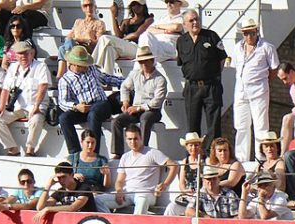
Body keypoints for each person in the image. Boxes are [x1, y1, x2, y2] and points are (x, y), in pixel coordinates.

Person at [57, 45, 122, 156]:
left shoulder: (91, 69)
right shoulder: (65, 80)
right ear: (74, 64)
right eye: (83, 65)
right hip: (82, 108)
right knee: (64, 118)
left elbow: (106, 79)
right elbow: (62, 102)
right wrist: (76, 106)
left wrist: (127, 82)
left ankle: (93, 154)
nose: (86, 67)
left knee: (94, 114)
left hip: (101, 104)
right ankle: (75, 154)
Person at [97, 124, 177, 214]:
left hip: (146, 193)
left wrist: (165, 184)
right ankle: (111, 221)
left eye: (135, 138)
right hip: (127, 192)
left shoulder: (152, 153)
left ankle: (136, 223)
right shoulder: (125, 156)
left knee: (142, 199)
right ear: (126, 140)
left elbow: (174, 165)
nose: (133, 142)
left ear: (141, 138)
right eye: (130, 139)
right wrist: (119, 190)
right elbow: (119, 180)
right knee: (98, 200)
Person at [230, 18, 278, 163]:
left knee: (261, 125)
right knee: (241, 125)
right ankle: (241, 159)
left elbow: (274, 69)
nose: (249, 36)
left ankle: (260, 158)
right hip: (241, 91)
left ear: (256, 31)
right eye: (246, 33)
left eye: (251, 33)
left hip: (259, 91)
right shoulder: (237, 47)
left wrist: (264, 82)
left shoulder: (267, 47)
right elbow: (236, 67)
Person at [176, 9, 225, 148]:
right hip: (192, 87)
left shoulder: (211, 36)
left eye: (197, 19)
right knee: (192, 126)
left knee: (213, 125)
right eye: (191, 20)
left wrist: (213, 75)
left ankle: (212, 155)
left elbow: (222, 58)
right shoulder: (181, 41)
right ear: (184, 24)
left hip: (211, 86)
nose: (195, 22)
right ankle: (194, 157)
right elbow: (181, 63)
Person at [0, 40, 48, 156]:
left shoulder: (40, 66)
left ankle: (30, 150)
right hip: (17, 107)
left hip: (35, 105)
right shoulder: (13, 68)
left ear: (31, 53)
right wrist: (1, 107)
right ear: (16, 55)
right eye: (20, 53)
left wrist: (36, 106)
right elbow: (5, 89)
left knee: (36, 119)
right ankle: (13, 149)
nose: (23, 56)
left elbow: (43, 86)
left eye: (26, 53)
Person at [110, 45, 164, 156]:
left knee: (145, 118)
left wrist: (138, 108)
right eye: (141, 62)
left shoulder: (160, 79)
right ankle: (117, 153)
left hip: (152, 110)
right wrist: (125, 101)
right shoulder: (135, 74)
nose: (143, 64)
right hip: (136, 109)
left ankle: (142, 151)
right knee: (116, 121)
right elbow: (124, 87)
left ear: (152, 61)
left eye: (145, 61)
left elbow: (157, 101)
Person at [92, 0, 152, 76]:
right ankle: (108, 78)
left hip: (138, 48)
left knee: (104, 38)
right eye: (133, 5)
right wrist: (113, 16)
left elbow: (136, 34)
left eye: (138, 4)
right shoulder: (126, 21)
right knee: (109, 50)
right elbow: (118, 36)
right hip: (126, 47)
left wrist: (122, 40)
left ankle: (92, 65)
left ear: (143, 6)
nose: (136, 7)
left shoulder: (148, 20)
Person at [57, 0, 104, 80]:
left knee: (66, 46)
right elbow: (69, 37)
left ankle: (67, 74)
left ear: (95, 7)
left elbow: (99, 42)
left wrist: (79, 39)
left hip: (87, 50)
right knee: (63, 47)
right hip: (74, 47)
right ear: (82, 8)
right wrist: (80, 40)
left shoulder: (99, 23)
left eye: (90, 5)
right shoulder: (78, 22)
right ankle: (60, 76)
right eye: (85, 6)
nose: (88, 8)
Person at [164, 129, 203, 215]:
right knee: (171, 207)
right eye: (191, 145)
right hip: (187, 196)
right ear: (186, 147)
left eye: (196, 145)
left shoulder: (204, 161)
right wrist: (186, 191)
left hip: (201, 196)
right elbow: (181, 184)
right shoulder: (185, 162)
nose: (193, 148)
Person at [69, 128, 108, 194]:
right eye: (88, 142)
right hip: (77, 189)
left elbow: (106, 186)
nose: (90, 146)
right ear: (82, 142)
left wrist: (107, 174)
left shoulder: (102, 160)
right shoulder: (73, 158)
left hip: (94, 190)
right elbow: (64, 176)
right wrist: (73, 176)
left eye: (93, 143)